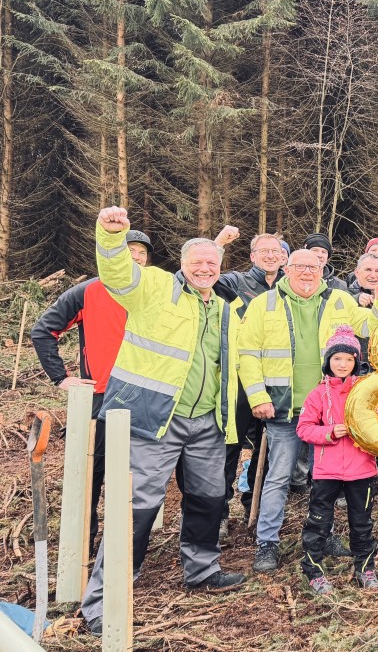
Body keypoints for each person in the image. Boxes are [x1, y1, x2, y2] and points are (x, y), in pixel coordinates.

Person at [82, 208, 243, 636]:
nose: (205, 268)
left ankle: (202, 570)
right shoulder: (154, 288)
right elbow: (117, 274)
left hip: (207, 424)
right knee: (135, 508)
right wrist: (110, 237)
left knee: (209, 501)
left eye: (213, 263)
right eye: (197, 262)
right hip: (153, 419)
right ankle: (105, 597)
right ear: (183, 264)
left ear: (220, 267)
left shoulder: (225, 310)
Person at [239, 248, 378, 573]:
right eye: (301, 267)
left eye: (314, 267)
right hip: (283, 409)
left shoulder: (339, 300)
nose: (308, 273)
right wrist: (258, 397)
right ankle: (267, 542)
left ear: (323, 270)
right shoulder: (263, 304)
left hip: (329, 411)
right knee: (279, 477)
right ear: (288, 269)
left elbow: (370, 328)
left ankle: (324, 536)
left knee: (325, 480)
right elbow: (248, 353)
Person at [32, 228, 153, 555]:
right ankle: (83, 551)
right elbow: (43, 331)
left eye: (142, 252)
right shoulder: (87, 292)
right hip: (101, 397)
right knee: (93, 474)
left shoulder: (155, 291)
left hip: (148, 397)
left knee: (139, 474)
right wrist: (62, 378)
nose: (136, 256)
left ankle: (125, 548)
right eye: (129, 250)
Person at [295, 326, 378, 593]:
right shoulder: (317, 394)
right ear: (328, 361)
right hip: (326, 471)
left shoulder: (367, 390)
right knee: (318, 522)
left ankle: (365, 569)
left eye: (348, 359)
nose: (343, 364)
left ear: (356, 362)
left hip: (361, 469)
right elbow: (303, 428)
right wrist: (330, 432)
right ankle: (313, 571)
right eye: (337, 359)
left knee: (362, 523)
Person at [211, 228, 286, 536]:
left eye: (276, 251)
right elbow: (204, 275)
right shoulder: (235, 283)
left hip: (276, 379)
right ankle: (219, 511)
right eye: (264, 251)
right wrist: (217, 245)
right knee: (230, 445)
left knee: (268, 449)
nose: (270, 255)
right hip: (239, 380)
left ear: (284, 257)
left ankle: (252, 505)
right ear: (253, 256)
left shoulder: (289, 286)